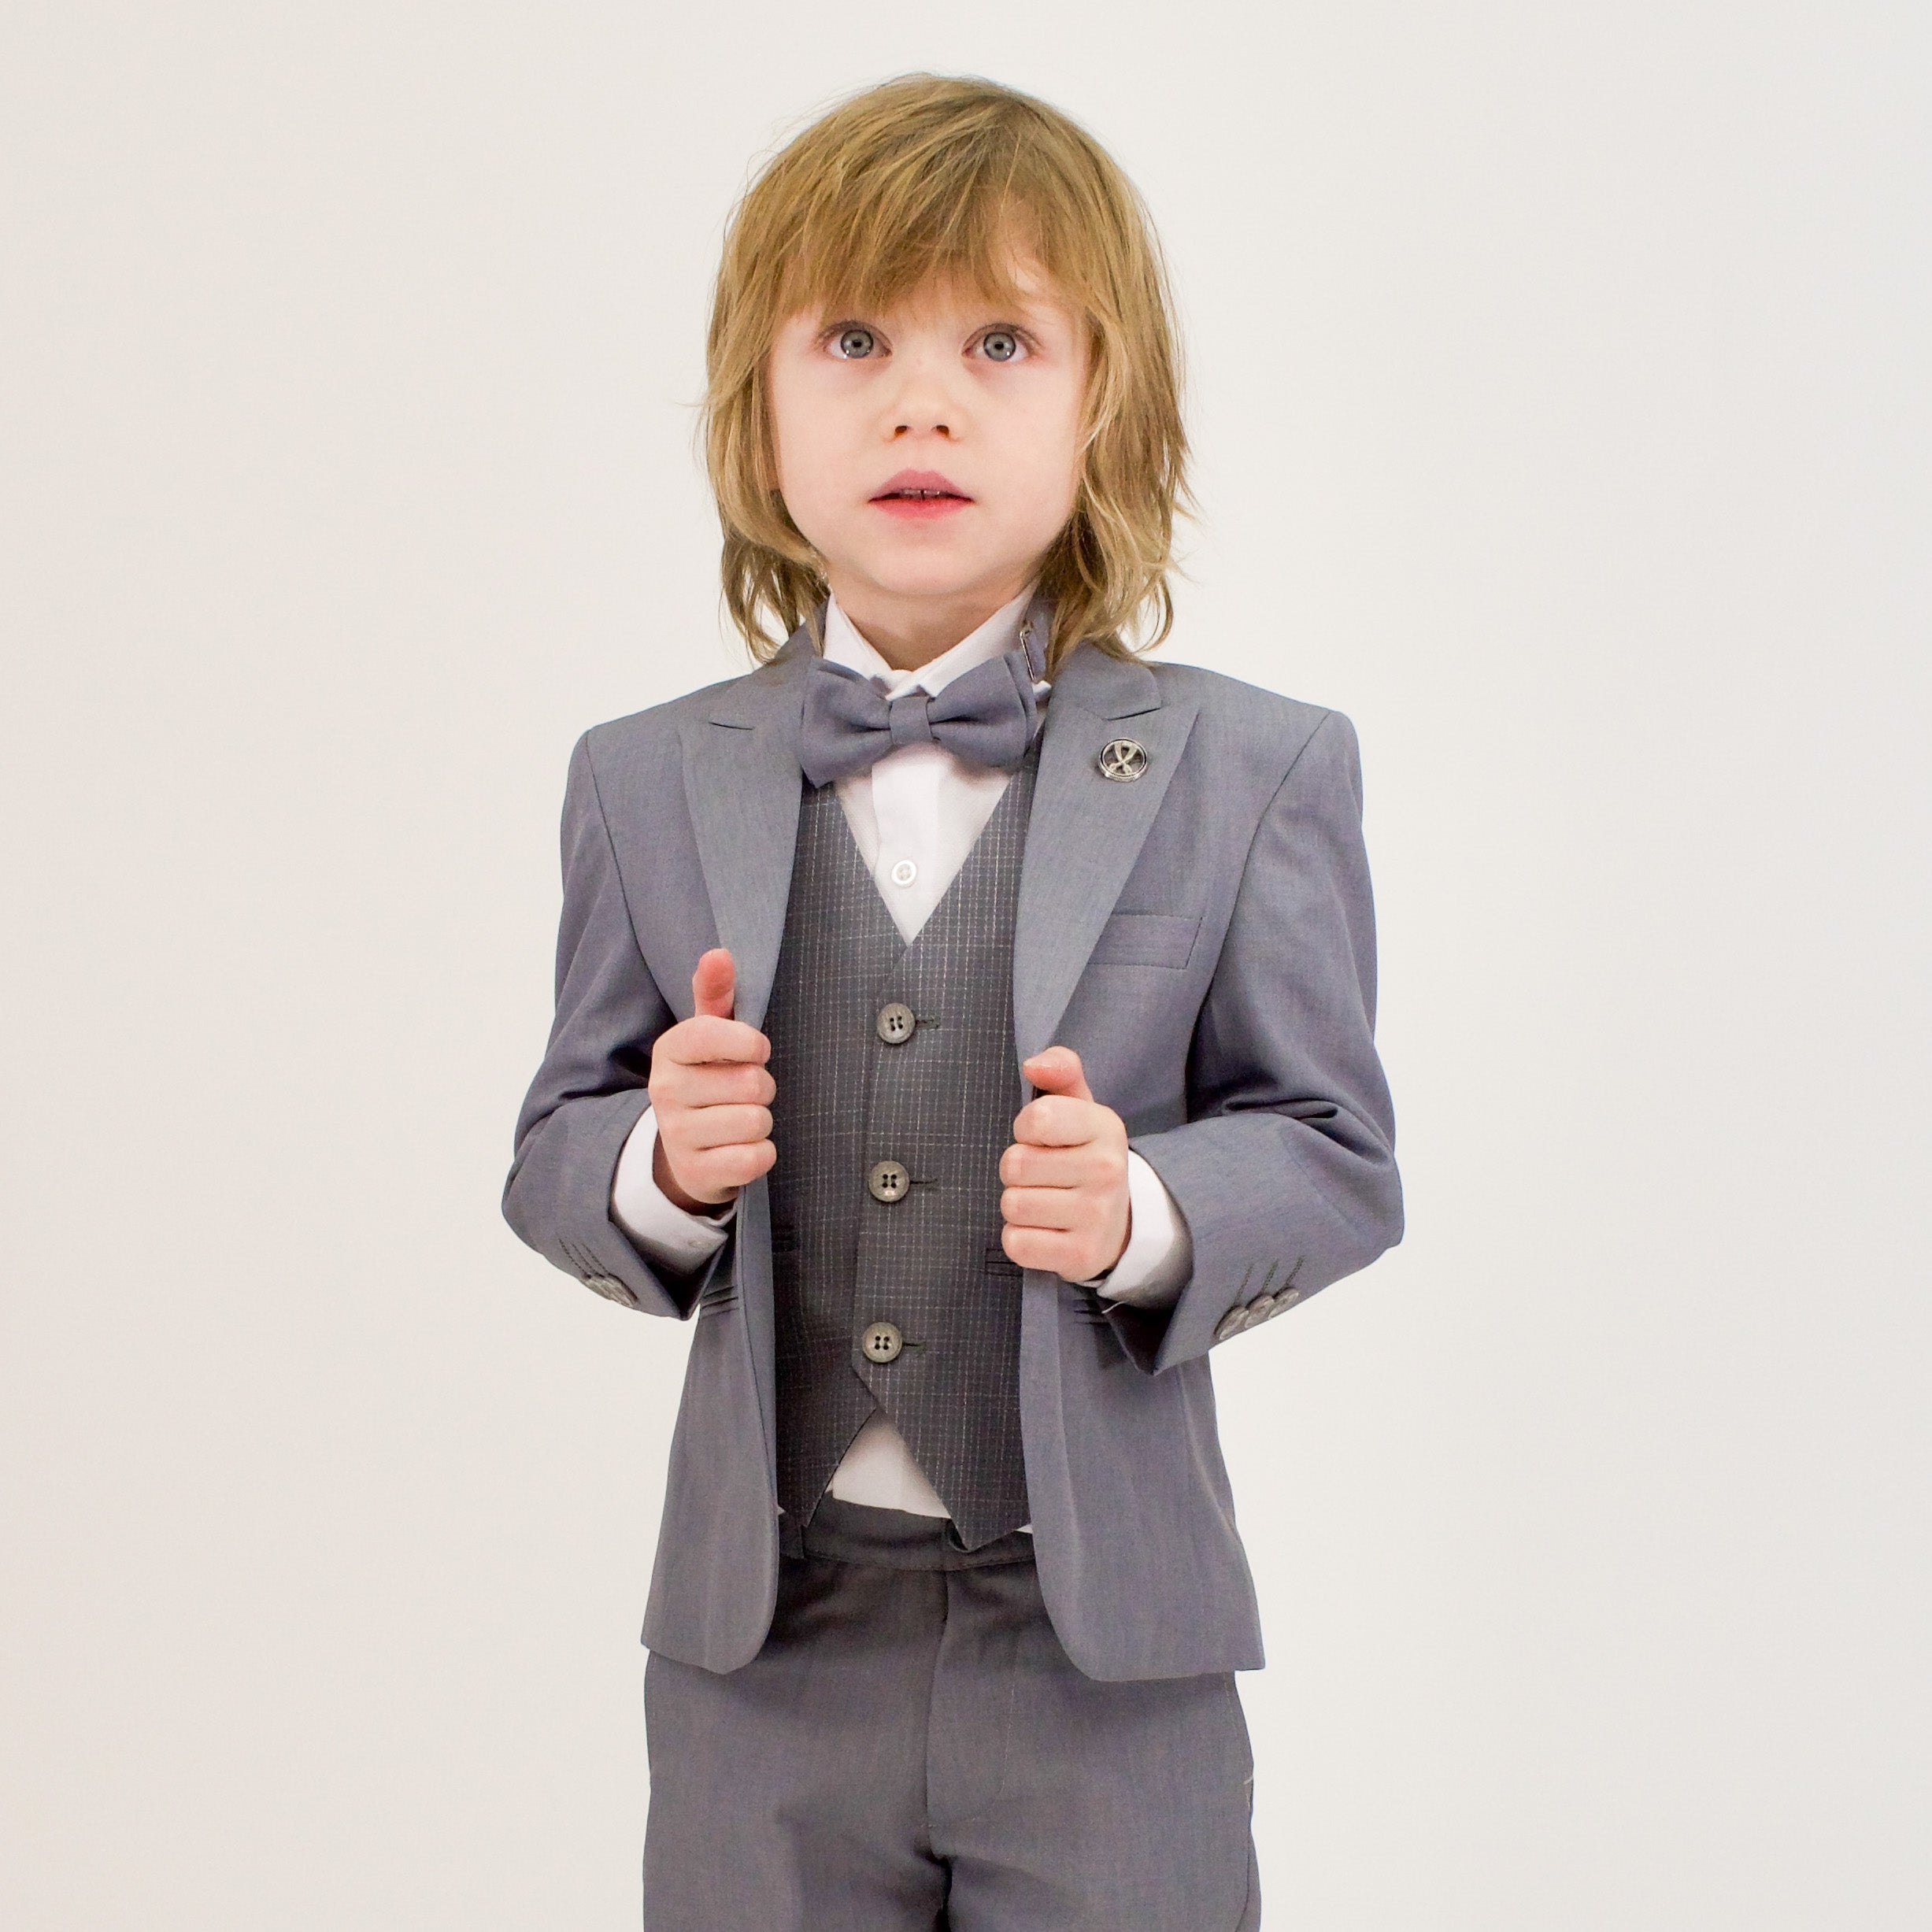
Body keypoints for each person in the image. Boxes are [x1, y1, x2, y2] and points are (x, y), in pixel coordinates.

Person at [504, 72, 1401, 1931]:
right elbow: (553, 1144)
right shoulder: (642, 777)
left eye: (1000, 338)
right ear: (761, 416)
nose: (922, 399)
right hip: (763, 1652)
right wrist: (657, 1166)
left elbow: (1334, 1156)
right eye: (853, 338)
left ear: (1105, 409)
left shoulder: (1256, 768)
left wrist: (1148, 1212)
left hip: (1105, 1657)